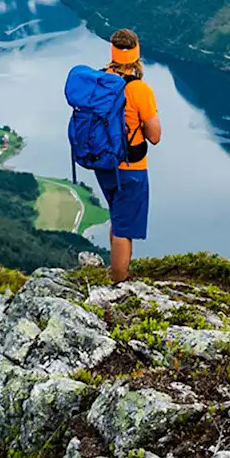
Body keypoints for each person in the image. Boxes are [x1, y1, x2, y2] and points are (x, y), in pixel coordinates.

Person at [91, 28, 161, 283]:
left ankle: (116, 273)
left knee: (117, 217)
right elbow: (154, 136)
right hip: (131, 167)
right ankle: (119, 283)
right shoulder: (139, 89)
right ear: (136, 55)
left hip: (103, 163)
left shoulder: (98, 81)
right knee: (124, 229)